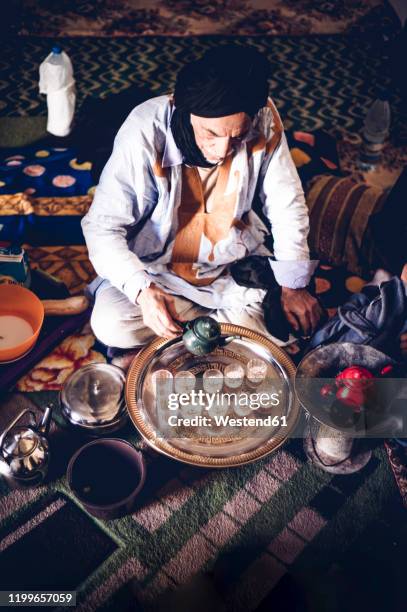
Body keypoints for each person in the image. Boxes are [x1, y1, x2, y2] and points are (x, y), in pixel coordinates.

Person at [81, 45, 323, 349]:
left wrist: (292, 286)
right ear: (186, 112)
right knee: (112, 324)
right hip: (160, 271)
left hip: (234, 268)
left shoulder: (264, 117)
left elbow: (286, 202)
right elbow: (102, 226)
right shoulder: (145, 129)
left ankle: (203, 330)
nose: (223, 151)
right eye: (211, 133)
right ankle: (223, 329)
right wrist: (143, 291)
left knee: (292, 320)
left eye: (237, 136)